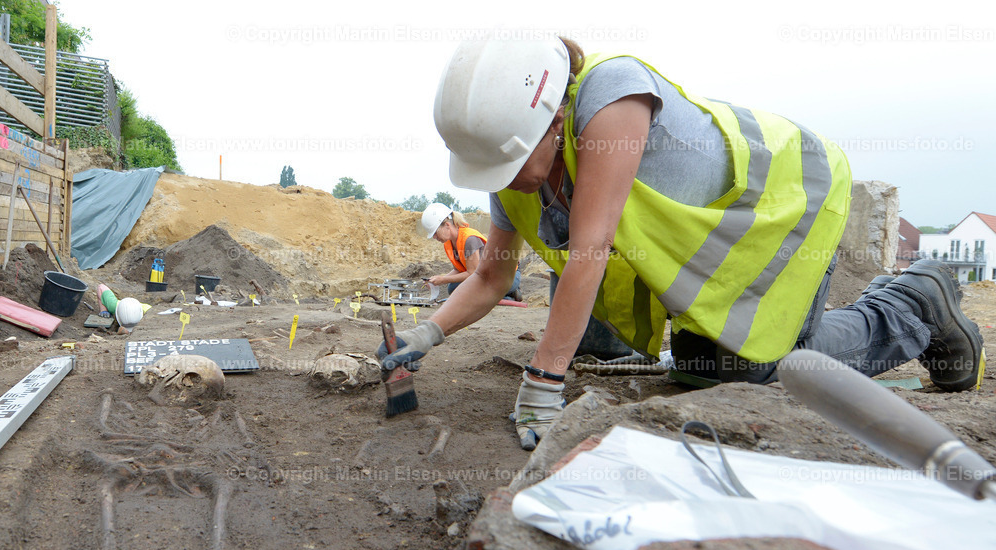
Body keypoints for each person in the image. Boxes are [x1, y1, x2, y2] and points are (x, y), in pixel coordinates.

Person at [380, 37, 985, 450]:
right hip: (710, 255)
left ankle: (911, 307)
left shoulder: (612, 95)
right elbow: (490, 278)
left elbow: (591, 247)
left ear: (553, 120)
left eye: (509, 162)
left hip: (780, 206)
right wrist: (423, 336)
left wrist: (543, 380)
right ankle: (891, 310)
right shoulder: (512, 168)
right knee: (702, 374)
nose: (504, 181)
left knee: (760, 373)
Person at [420, 202, 521, 300]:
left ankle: (509, 296)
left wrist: (443, 280)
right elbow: (458, 269)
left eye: (435, 233)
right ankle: (503, 294)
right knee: (453, 288)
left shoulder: (469, 239)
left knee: (477, 291)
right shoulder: (449, 243)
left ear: (447, 225)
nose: (434, 237)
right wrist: (437, 280)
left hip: (507, 275)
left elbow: (472, 273)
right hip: (486, 276)